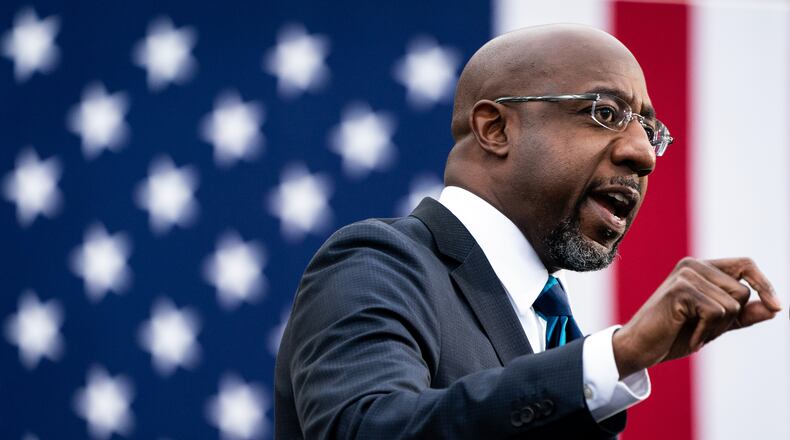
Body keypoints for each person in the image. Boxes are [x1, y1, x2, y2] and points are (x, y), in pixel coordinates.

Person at [274, 24, 782, 439]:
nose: (643, 155)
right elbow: (365, 430)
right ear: (496, 129)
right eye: (604, 113)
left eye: (649, 131)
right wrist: (617, 355)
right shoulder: (377, 262)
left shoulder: (549, 326)